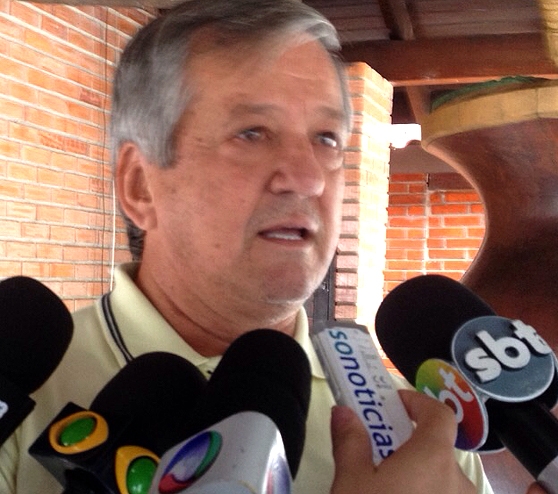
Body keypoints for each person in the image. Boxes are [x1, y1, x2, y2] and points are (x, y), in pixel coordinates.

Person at [0, 1, 494, 492]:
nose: (308, 178)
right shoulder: (19, 402)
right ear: (140, 186)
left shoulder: (421, 435)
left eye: (326, 138)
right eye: (252, 133)